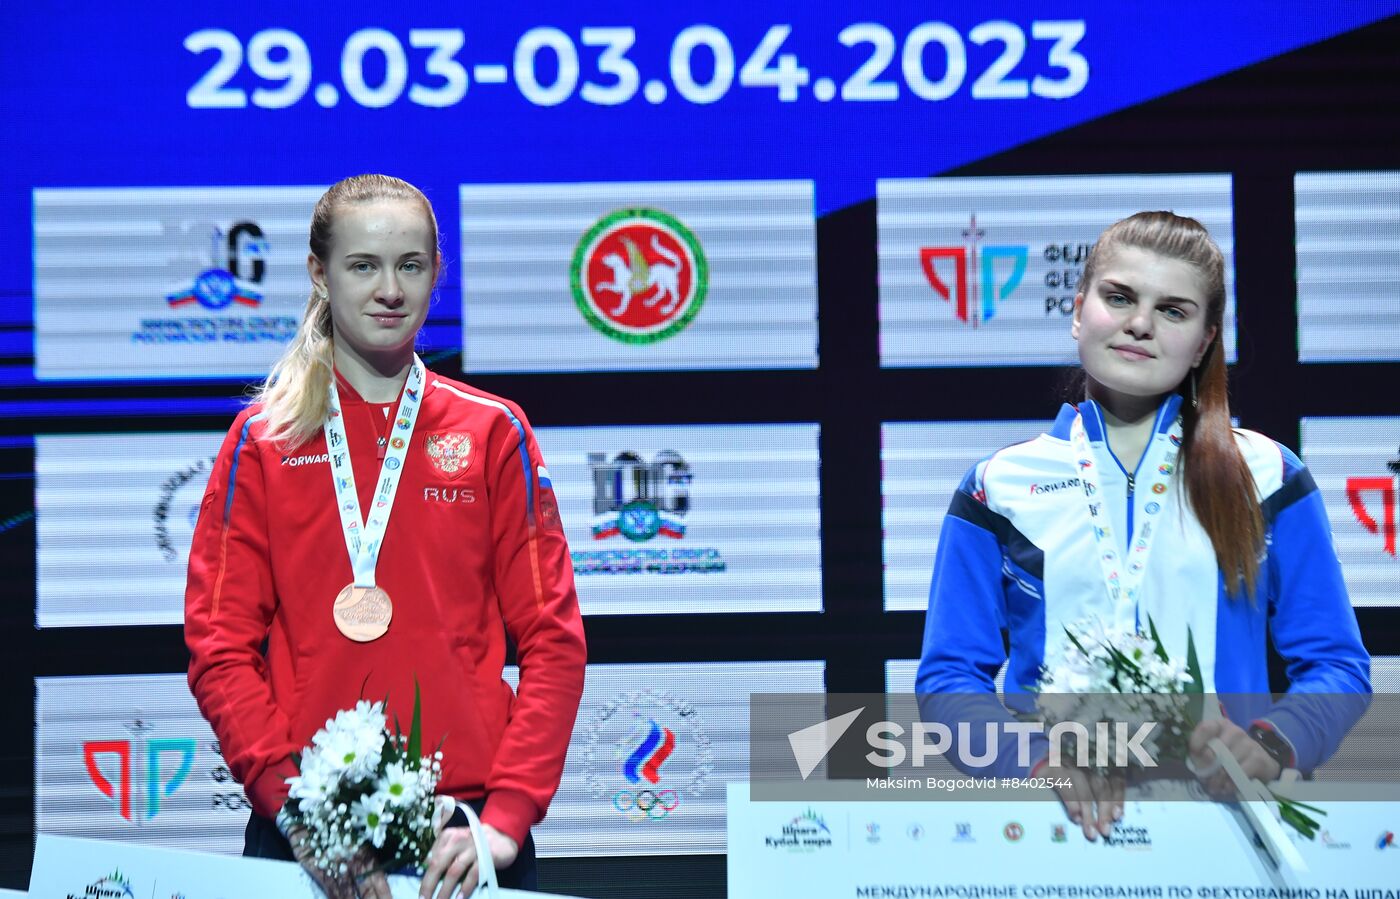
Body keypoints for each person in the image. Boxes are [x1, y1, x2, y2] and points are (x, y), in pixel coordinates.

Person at [185, 174, 587, 897]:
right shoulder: (264, 440)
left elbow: (554, 642)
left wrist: (505, 821)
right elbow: (219, 648)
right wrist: (301, 816)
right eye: (363, 265)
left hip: (462, 837)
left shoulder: (494, 432)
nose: (390, 290)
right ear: (319, 271)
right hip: (303, 838)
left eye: (411, 265)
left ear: (436, 273)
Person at [916, 211, 1370, 840]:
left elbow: (1338, 666)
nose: (1140, 323)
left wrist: (1272, 742)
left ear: (1205, 341)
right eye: (1120, 297)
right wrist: (1035, 761)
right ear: (1079, 311)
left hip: (1224, 832)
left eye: (1174, 311)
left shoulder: (1266, 474)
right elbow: (948, 680)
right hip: (1055, 830)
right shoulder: (998, 486)